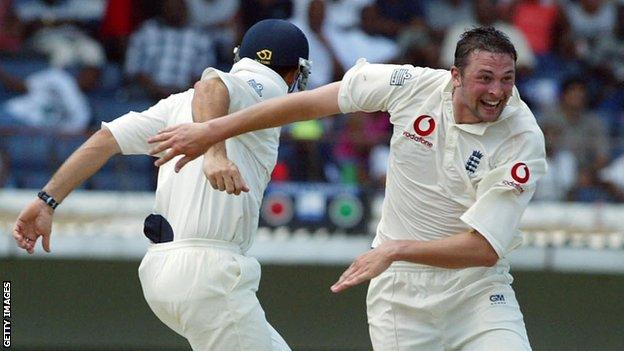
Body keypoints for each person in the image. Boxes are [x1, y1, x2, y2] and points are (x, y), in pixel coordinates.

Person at [147, 26, 547, 350]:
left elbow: (484, 248)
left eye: (507, 80)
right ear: (455, 77)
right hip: (399, 298)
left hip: (477, 293)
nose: (497, 92)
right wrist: (212, 131)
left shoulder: (522, 138)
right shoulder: (412, 84)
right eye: (485, 78)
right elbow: (313, 104)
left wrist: (395, 249)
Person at [12, 19, 311, 351]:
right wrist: (213, 152)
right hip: (209, 269)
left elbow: (106, 139)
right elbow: (211, 86)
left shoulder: (175, 105)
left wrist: (45, 201)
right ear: (292, 73)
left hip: (165, 270)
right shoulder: (268, 86)